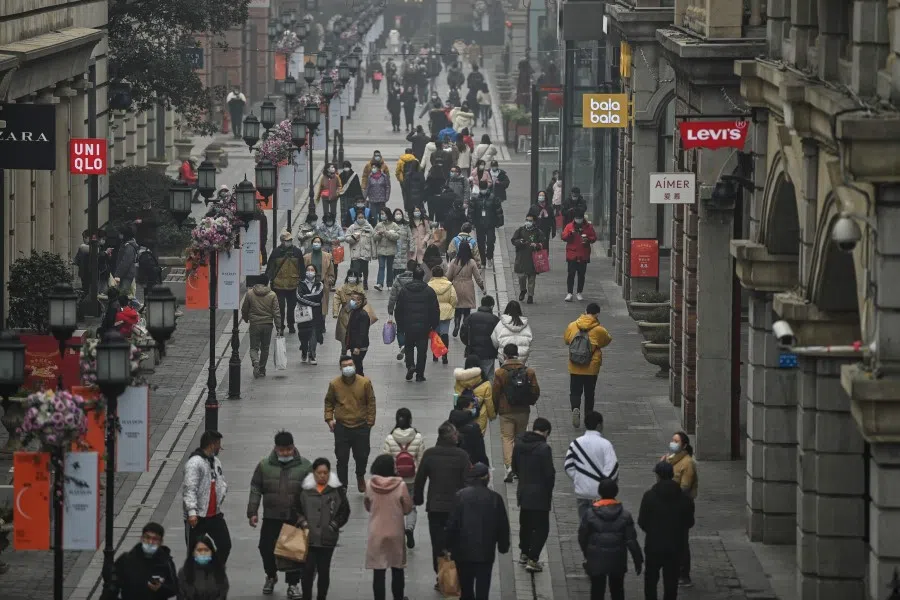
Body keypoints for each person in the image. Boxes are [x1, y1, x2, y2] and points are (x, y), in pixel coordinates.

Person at [247, 431, 312, 598]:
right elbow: (256, 487)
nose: (285, 453)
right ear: (275, 448)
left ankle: (292, 584)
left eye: (288, 449)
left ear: (293, 447)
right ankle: (271, 575)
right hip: (271, 515)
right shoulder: (264, 466)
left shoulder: (305, 466)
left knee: (293, 552)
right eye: (282, 450)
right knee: (265, 548)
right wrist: (252, 511)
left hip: (294, 516)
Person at [413, 422, 471, 579]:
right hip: (457, 508)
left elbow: (420, 479)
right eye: (455, 434)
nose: (457, 436)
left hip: (436, 507)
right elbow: (468, 482)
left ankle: (440, 575)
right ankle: (455, 574)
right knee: (456, 541)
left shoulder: (430, 454)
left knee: (437, 544)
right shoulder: (462, 456)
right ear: (451, 437)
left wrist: (417, 499)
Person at [444, 462, 510, 600]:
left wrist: (447, 545)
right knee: (483, 590)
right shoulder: (495, 498)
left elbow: (452, 523)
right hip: (485, 551)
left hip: (463, 551)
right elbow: (502, 524)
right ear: (487, 477)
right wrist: (503, 545)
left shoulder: (460, 495)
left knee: (466, 589)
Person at [579, 479, 644, 600]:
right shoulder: (625, 515)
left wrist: (587, 552)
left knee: (597, 591)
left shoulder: (589, 514)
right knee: (617, 590)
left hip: (596, 558)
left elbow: (582, 536)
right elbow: (631, 540)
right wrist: (638, 559)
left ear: (600, 492)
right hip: (617, 559)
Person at [638, 461, 695, 600]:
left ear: (658, 476)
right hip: (675, 546)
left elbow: (642, 522)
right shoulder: (683, 498)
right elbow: (690, 522)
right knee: (671, 581)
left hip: (654, 545)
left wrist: (653, 531)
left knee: (650, 580)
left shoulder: (649, 496)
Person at [297, 457, 351, 600]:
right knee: (307, 570)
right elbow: (296, 508)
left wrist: (334, 525)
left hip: (328, 537)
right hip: (308, 537)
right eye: (319, 473)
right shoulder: (304, 489)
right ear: (313, 473)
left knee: (323, 570)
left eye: (325, 472)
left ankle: (322, 596)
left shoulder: (336, 489)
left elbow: (344, 510)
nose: (322, 476)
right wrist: (302, 522)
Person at [324, 355, 377, 493]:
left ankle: (360, 475)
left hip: (361, 426)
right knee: (341, 458)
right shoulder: (334, 384)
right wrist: (329, 418)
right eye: (345, 365)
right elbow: (329, 401)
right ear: (341, 368)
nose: (348, 367)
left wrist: (370, 422)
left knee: (362, 456)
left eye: (350, 364)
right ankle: (343, 486)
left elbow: (371, 402)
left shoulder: (364, 383)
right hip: (342, 427)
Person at [365, 455, 414, 600]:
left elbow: (367, 506)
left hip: (376, 532)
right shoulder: (401, 485)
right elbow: (407, 508)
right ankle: (398, 597)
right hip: (395, 531)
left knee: (378, 571)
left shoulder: (369, 485)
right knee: (397, 568)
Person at [511, 418, 555, 573]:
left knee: (526, 525)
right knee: (542, 528)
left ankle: (523, 553)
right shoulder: (544, 448)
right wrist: (548, 490)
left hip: (524, 492)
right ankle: (533, 558)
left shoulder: (519, 444)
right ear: (546, 432)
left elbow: (514, 467)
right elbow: (549, 474)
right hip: (540, 493)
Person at [182, 430, 232, 565]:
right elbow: (189, 489)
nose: (220, 448)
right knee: (195, 551)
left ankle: (215, 572)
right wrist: (192, 512)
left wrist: (223, 491)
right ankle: (194, 579)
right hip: (198, 517)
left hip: (214, 514)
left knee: (225, 545)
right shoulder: (194, 463)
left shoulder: (215, 462)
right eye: (218, 444)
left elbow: (220, 481)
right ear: (211, 444)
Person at [493, 343, 540, 483]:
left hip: (506, 411)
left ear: (505, 356)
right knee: (520, 438)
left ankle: (509, 467)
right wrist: (530, 402)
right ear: (517, 354)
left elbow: (495, 392)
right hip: (523, 410)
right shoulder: (529, 372)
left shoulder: (500, 373)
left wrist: (495, 409)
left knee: (507, 438)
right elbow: (536, 390)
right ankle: (519, 467)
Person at [382, 408, 426, 549]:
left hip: (396, 480)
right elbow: (421, 459)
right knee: (412, 507)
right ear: (410, 420)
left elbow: (385, 460)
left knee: (396, 507)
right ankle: (410, 528)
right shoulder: (418, 437)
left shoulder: (390, 438)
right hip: (412, 479)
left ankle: (398, 533)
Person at [563, 302, 613, 426]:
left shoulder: (572, 325)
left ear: (585, 311)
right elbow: (607, 340)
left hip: (575, 364)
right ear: (597, 314)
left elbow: (566, 340)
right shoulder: (599, 329)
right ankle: (588, 417)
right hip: (591, 366)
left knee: (575, 391)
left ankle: (575, 408)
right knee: (590, 393)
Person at [101, 522, 177, 600]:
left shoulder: (166, 562)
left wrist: (161, 588)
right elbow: (112, 586)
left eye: (155, 539)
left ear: (160, 542)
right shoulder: (126, 560)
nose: (150, 542)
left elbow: (174, 588)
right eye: (147, 537)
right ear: (142, 538)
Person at [565, 411, 619, 520]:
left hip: (582, 492)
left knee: (584, 525)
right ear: (599, 425)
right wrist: (605, 484)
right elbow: (612, 468)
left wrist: (579, 478)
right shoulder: (605, 444)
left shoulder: (575, 443)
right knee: (601, 525)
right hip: (600, 495)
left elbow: (568, 466)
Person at [663, 431, 698, 587]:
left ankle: (684, 574)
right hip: (670, 505)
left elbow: (684, 487)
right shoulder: (671, 459)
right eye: (672, 440)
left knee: (682, 541)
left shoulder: (687, 463)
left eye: (676, 441)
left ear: (684, 445)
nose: (673, 443)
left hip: (681, 506)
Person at [395, 267, 440, 382]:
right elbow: (435, 309)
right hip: (424, 326)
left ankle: (410, 366)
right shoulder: (429, 291)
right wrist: (434, 325)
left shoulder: (404, 290)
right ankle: (420, 374)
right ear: (423, 277)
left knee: (409, 347)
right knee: (422, 351)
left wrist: (400, 325)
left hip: (408, 325)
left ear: (413, 276)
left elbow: (398, 309)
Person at [265, 229, 306, 334]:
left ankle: (291, 324)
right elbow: (270, 267)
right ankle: (280, 327)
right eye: (286, 240)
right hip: (279, 286)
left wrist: (302, 281)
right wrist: (268, 280)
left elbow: (301, 267)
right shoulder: (276, 252)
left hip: (293, 285)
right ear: (282, 241)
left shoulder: (297, 252)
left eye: (290, 240)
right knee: (280, 308)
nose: (289, 242)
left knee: (292, 308)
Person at [241, 275, 281, 378]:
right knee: (265, 348)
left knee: (254, 347)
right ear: (267, 283)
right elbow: (276, 312)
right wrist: (279, 326)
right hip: (267, 324)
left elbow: (245, 308)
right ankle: (262, 369)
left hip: (255, 324)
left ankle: (256, 362)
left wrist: (246, 319)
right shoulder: (272, 295)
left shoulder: (250, 294)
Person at [447, 240, 484, 337]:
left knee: (457, 309)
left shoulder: (454, 261)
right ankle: (465, 327)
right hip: (468, 286)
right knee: (467, 310)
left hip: (456, 286)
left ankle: (457, 325)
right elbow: (477, 277)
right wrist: (482, 287)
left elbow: (448, 276)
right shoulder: (471, 262)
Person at [511, 210, 548, 304]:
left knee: (531, 279)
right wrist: (520, 242)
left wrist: (537, 245)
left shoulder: (538, 232)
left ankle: (530, 295)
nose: (528, 222)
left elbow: (543, 243)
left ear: (534, 222)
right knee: (521, 277)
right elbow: (514, 240)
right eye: (527, 220)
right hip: (521, 257)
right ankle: (523, 290)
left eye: (530, 220)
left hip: (533, 258)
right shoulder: (520, 230)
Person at [177, 534, 229, 600]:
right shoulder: (184, 573)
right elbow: (181, 596)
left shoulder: (219, 571)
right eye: (199, 550)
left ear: (211, 552)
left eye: (206, 550)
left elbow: (222, 595)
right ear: (193, 553)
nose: (203, 553)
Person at [562, 208, 598, 301]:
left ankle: (579, 292)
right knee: (571, 274)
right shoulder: (569, 226)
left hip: (583, 254)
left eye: (580, 218)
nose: (578, 220)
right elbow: (564, 236)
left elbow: (594, 237)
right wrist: (571, 233)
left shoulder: (588, 227)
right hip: (572, 254)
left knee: (581, 274)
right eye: (577, 218)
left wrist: (588, 239)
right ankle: (569, 293)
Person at [460, 295, 500, 379]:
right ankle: (487, 391)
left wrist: (468, 344)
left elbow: (463, 334)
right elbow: (498, 337)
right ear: (492, 306)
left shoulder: (470, 317)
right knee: (488, 375)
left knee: (474, 376)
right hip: (489, 353)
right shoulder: (495, 319)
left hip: (473, 353)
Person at [427, 265, 458, 365]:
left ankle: (436, 355)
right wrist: (451, 306)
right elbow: (454, 299)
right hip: (446, 311)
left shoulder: (429, 285)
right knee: (445, 333)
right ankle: (444, 356)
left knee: (435, 333)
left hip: (433, 311)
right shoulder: (449, 285)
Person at [449, 391, 488, 466]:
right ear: (464, 409)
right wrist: (485, 465)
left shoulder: (448, 425)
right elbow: (480, 450)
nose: (474, 409)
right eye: (472, 407)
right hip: (470, 465)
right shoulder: (473, 428)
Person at [470, 180, 503, 267]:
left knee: (490, 242)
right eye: (482, 188)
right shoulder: (475, 198)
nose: (483, 190)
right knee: (480, 243)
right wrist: (472, 223)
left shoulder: (493, 198)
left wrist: (499, 222)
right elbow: (471, 212)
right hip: (479, 224)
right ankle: (483, 260)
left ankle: (489, 257)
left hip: (490, 224)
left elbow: (498, 210)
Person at [296, 265, 325, 365]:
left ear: (315, 272)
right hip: (303, 313)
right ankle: (304, 352)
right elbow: (299, 297)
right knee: (303, 335)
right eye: (308, 270)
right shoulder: (300, 284)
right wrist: (314, 304)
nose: (310, 271)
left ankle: (312, 354)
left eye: (312, 270)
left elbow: (318, 295)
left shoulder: (319, 284)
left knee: (314, 334)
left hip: (316, 314)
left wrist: (306, 297)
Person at [303, 235, 336, 312]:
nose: (316, 243)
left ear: (321, 244)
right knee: (310, 306)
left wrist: (329, 281)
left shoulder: (327, 256)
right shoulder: (306, 257)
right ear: (312, 244)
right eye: (315, 242)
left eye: (318, 242)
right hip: (310, 284)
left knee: (322, 307)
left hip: (323, 284)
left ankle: (321, 322)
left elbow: (331, 272)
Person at [334, 270, 365, 349]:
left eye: (354, 276)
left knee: (355, 334)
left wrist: (356, 304)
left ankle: (353, 351)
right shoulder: (341, 289)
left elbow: (364, 300)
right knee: (344, 334)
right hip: (344, 314)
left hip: (357, 314)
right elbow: (336, 300)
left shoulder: (360, 289)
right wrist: (335, 312)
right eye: (351, 275)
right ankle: (344, 352)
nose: (352, 278)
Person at [346, 209, 376, 289]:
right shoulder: (352, 227)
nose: (360, 219)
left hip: (366, 252)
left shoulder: (369, 227)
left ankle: (365, 282)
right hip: (355, 253)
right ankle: (356, 282)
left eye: (362, 217)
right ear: (356, 218)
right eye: (359, 217)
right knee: (356, 269)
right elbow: (347, 239)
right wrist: (354, 237)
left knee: (365, 269)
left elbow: (373, 240)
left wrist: (374, 254)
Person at [345, 291, 372, 375]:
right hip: (354, 344)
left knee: (358, 366)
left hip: (360, 346)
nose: (351, 301)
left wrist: (357, 347)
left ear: (359, 302)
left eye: (353, 299)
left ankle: (362, 383)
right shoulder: (354, 311)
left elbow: (362, 332)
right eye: (351, 299)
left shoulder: (362, 315)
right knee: (356, 365)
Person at [374, 207, 401, 290]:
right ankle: (380, 284)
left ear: (388, 214)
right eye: (381, 214)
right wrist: (379, 234)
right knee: (381, 266)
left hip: (391, 250)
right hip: (381, 250)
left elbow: (397, 236)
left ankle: (389, 284)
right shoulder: (379, 225)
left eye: (384, 214)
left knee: (389, 267)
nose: (382, 215)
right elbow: (374, 237)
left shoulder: (394, 225)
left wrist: (387, 233)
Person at [114, 225, 140, 295]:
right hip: (126, 275)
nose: (119, 235)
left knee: (123, 295)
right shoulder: (127, 245)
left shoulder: (129, 247)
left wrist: (118, 275)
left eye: (121, 233)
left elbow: (125, 263)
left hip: (126, 276)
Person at [391, 209, 413, 279]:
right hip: (393, 248)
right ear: (394, 216)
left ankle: (402, 283)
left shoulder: (406, 226)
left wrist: (412, 248)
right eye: (396, 214)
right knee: (394, 267)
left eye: (399, 214)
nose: (398, 215)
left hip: (404, 249)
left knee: (403, 267)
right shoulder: (391, 225)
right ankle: (394, 283)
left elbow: (410, 237)